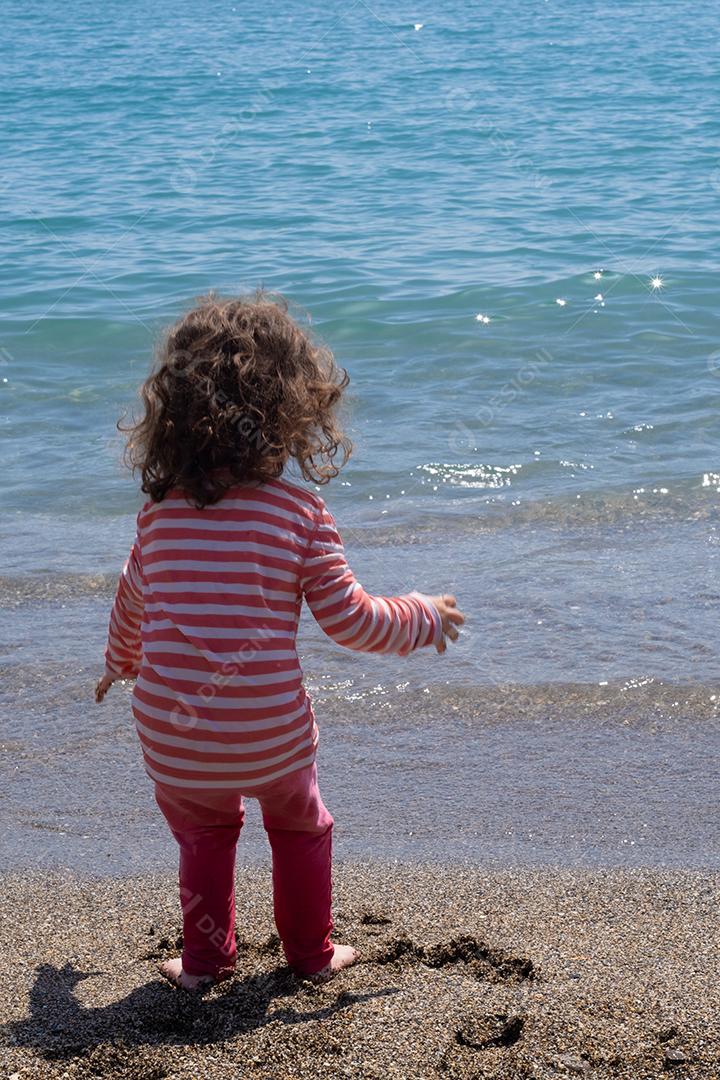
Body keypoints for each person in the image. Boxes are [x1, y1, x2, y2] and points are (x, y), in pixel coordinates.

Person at [96, 291, 465, 990]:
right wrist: (421, 617)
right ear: (291, 407)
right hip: (270, 732)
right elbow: (352, 620)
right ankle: (310, 955)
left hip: (175, 735)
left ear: (170, 412)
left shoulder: (158, 516)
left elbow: (131, 604)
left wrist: (118, 664)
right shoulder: (300, 513)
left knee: (205, 834)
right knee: (300, 825)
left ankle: (205, 963)